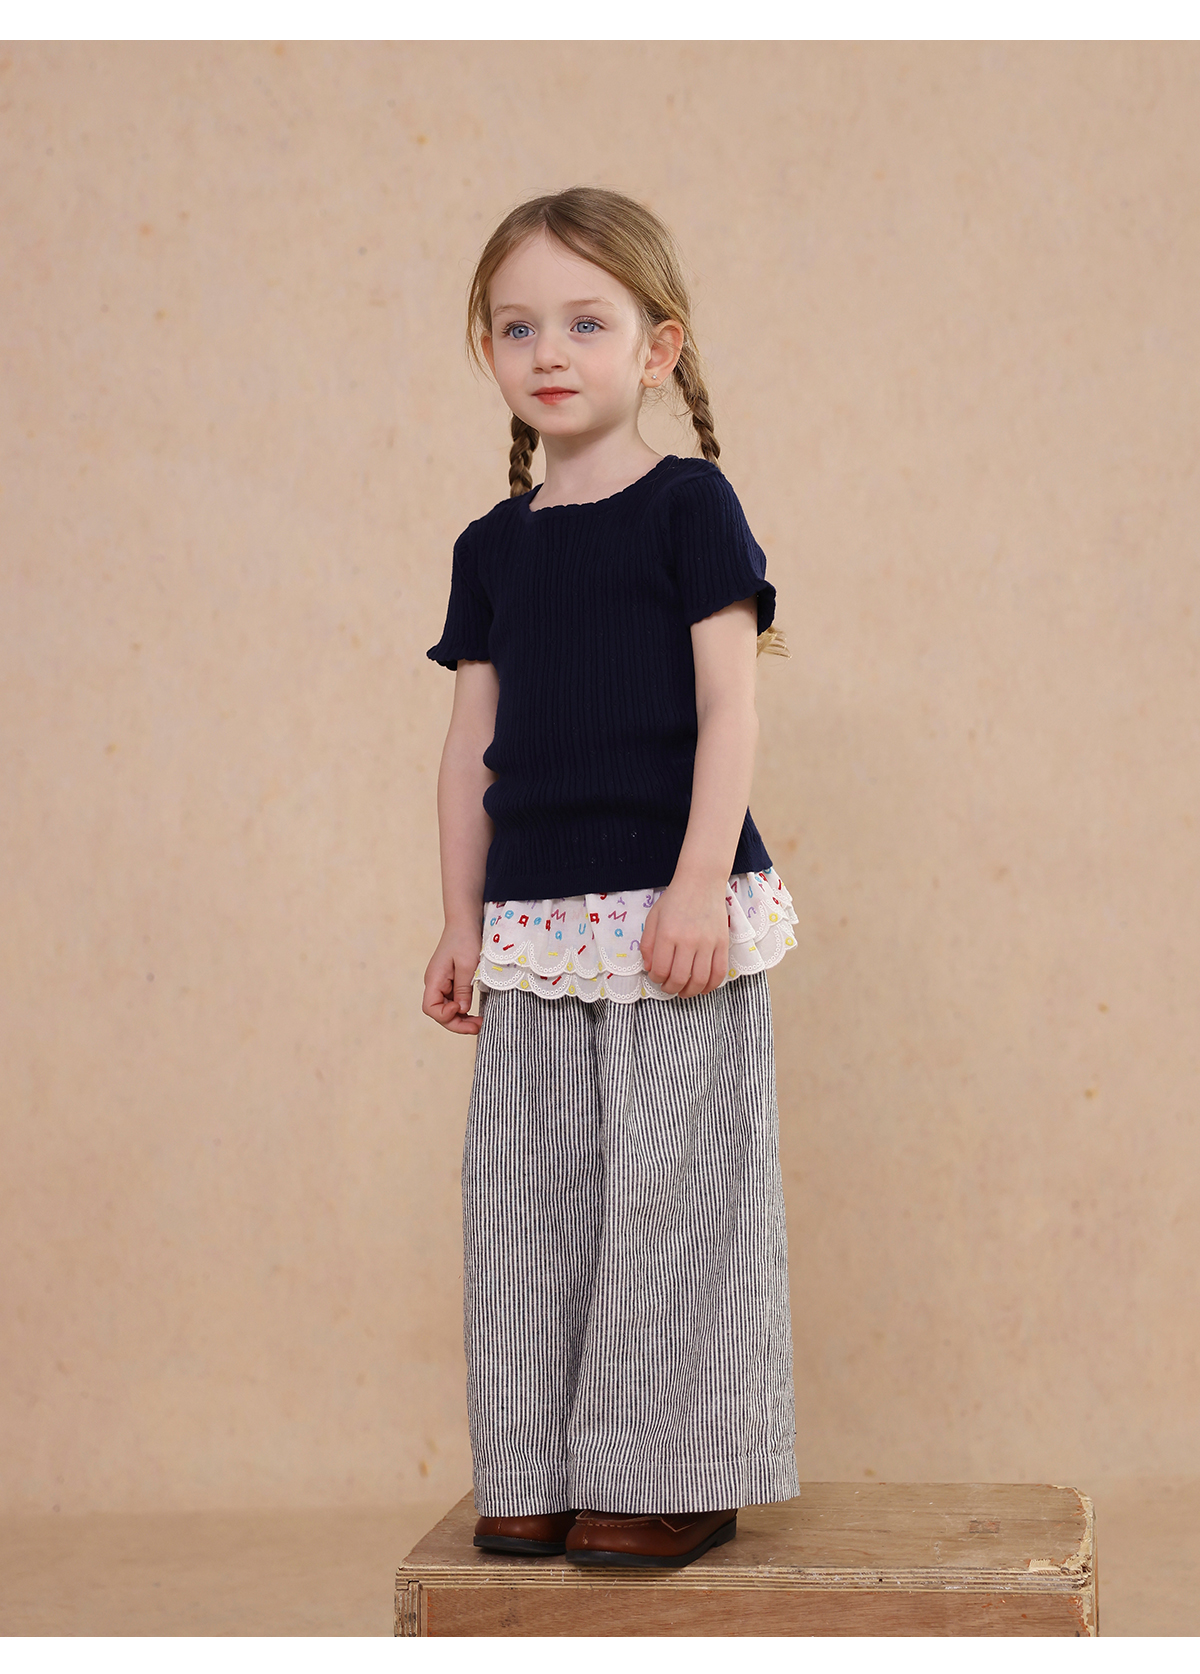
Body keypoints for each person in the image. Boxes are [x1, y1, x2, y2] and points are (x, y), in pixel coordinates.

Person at [422, 186, 800, 1570]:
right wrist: (459, 922)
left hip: (669, 914)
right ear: (489, 349)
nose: (550, 350)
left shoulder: (691, 508)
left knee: (670, 1195)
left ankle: (668, 1468)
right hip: (534, 923)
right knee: (528, 1198)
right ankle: (534, 1465)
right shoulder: (491, 546)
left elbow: (729, 708)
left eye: (587, 322)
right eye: (517, 326)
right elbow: (470, 744)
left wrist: (697, 884)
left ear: (657, 348)